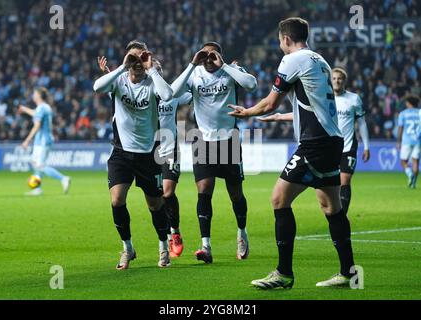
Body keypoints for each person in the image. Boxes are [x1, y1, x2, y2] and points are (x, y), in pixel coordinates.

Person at [229, 17, 356, 289]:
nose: (279, 44)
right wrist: (278, 118)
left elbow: (270, 101)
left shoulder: (292, 60)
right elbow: (315, 107)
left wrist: (248, 112)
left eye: (279, 40)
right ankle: (348, 273)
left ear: (285, 39)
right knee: (332, 207)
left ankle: (283, 273)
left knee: (278, 199)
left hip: (315, 143)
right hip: (332, 140)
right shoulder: (320, 61)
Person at [97, 56, 192, 258]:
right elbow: (116, 92)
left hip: (168, 148)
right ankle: (157, 239)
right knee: (156, 198)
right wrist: (112, 73)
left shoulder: (169, 92)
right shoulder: (138, 88)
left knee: (167, 193)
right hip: (150, 149)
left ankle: (174, 231)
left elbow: (194, 96)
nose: (151, 68)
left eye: (156, 66)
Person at [172, 41, 257, 263]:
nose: (209, 60)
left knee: (235, 193)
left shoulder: (231, 71)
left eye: (213, 56)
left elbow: (251, 85)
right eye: (205, 56)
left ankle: (241, 233)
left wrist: (226, 65)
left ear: (220, 56)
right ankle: (205, 246)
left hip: (229, 137)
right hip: (202, 138)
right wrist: (192, 64)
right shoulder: (195, 73)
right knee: (204, 189)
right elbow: (173, 92)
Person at [93, 41, 173, 269]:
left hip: (147, 154)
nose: (137, 63)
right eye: (133, 58)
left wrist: (152, 69)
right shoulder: (118, 80)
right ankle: (128, 248)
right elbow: (97, 87)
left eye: (142, 57)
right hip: (121, 152)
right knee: (117, 200)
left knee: (155, 206)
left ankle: (163, 247)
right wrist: (121, 67)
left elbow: (167, 95)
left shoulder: (152, 83)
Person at [19, 87, 71, 196]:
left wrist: (27, 140)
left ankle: (63, 178)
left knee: (41, 166)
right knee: (35, 163)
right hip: (41, 140)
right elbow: (35, 113)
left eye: (34, 93)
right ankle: (37, 189)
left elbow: (37, 125)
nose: (33, 95)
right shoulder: (44, 107)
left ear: (38, 95)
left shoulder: (42, 108)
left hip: (43, 141)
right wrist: (24, 109)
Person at [332, 67, 370, 214]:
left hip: (348, 147)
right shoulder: (325, 98)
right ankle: (335, 211)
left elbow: (362, 123)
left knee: (345, 180)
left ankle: (343, 215)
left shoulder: (353, 99)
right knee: (330, 183)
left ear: (344, 81)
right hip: (330, 148)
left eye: (339, 78)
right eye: (334, 78)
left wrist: (366, 146)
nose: (336, 81)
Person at [397, 96, 420, 189]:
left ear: (409, 103)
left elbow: (400, 128)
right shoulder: (420, 112)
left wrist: (398, 141)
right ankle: (413, 183)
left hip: (407, 141)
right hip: (418, 140)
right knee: (416, 162)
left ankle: (410, 174)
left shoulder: (403, 114)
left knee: (403, 161)